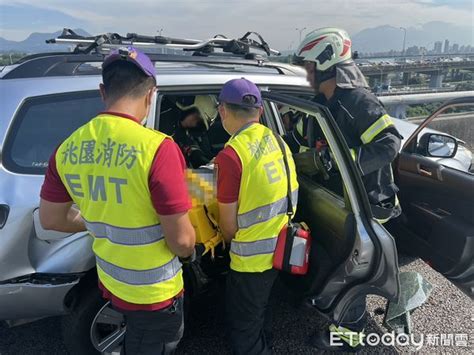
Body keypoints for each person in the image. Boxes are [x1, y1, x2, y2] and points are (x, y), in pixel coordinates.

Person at [39, 47, 196, 355]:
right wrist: (191, 252)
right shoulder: (158, 149)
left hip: (112, 283)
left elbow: (51, 219)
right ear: (151, 94)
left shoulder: (67, 148)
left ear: (102, 91)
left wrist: (101, 221)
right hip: (156, 294)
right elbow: (181, 241)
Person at [296, 28, 403, 352]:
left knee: (354, 269)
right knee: (341, 261)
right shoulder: (323, 102)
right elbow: (307, 133)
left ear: (327, 64)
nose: (306, 73)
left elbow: (390, 144)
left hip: (368, 200)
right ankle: (341, 313)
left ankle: (351, 334)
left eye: (309, 67)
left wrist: (343, 161)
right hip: (343, 198)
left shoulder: (357, 100)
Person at [214, 78, 299, 354]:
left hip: (249, 261)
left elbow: (227, 225)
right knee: (258, 308)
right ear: (260, 112)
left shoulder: (231, 156)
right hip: (281, 246)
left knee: (243, 327)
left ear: (222, 111)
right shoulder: (277, 140)